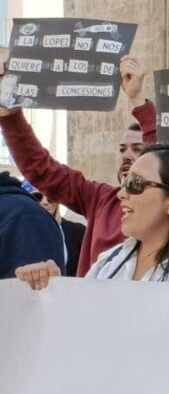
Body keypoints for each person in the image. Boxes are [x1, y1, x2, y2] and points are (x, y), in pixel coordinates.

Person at [16, 144, 169, 297]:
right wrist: (53, 290)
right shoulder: (110, 262)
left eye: (136, 184)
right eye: (124, 183)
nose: (122, 193)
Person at [0, 56, 154, 275]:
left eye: (138, 149)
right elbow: (42, 170)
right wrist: (9, 114)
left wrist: (138, 99)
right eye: (122, 149)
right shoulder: (102, 200)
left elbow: (168, 162)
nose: (127, 156)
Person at [0, 171, 64, 278]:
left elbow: (35, 291)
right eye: (38, 197)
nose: (45, 202)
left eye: (50, 199)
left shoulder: (25, 216)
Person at [27, 182, 86, 276]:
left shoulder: (78, 232)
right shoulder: (19, 232)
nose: (45, 202)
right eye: (37, 197)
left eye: (50, 197)